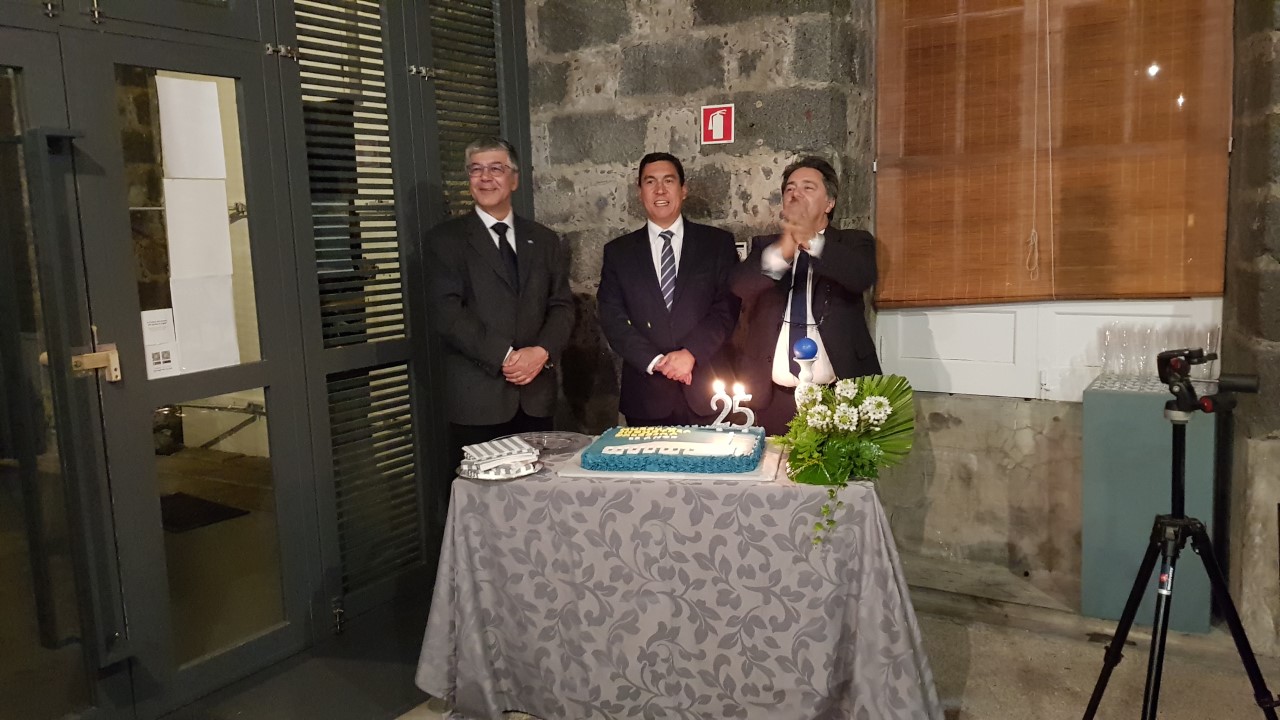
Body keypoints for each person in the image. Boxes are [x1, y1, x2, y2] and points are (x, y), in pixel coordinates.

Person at [426, 136, 573, 472]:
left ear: (514, 179)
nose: (485, 178)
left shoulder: (544, 240)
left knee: (539, 494)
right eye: (476, 170)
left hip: (535, 398)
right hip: (478, 402)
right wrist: (506, 357)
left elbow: (562, 306)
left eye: (496, 169)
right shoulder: (444, 241)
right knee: (481, 497)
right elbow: (447, 313)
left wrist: (541, 353)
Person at [730, 155, 882, 435]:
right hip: (773, 398)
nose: (796, 194)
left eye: (808, 188)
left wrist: (810, 240)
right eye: (790, 188)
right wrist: (784, 250)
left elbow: (860, 276)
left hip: (839, 396)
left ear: (829, 203)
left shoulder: (853, 242)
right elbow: (741, 286)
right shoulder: (765, 247)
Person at [597, 152, 740, 426]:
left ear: (683, 190)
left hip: (709, 392)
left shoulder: (716, 244)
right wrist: (656, 361)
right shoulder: (618, 253)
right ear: (640, 192)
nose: (660, 190)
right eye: (650, 182)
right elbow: (611, 317)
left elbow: (728, 307)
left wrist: (691, 353)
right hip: (646, 397)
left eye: (669, 181)